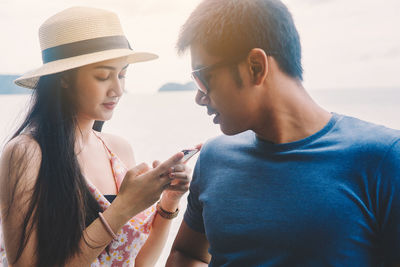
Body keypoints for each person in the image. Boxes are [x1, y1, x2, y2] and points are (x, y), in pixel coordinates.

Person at [166, 0, 400, 266]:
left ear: (256, 66)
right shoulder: (213, 158)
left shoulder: (385, 160)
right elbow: (187, 254)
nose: (199, 98)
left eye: (202, 78)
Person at [0, 7, 193, 267]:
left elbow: (137, 262)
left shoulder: (118, 150)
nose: (118, 89)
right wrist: (124, 207)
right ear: (65, 79)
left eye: (122, 74)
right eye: (103, 76)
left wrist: (168, 202)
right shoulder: (27, 154)